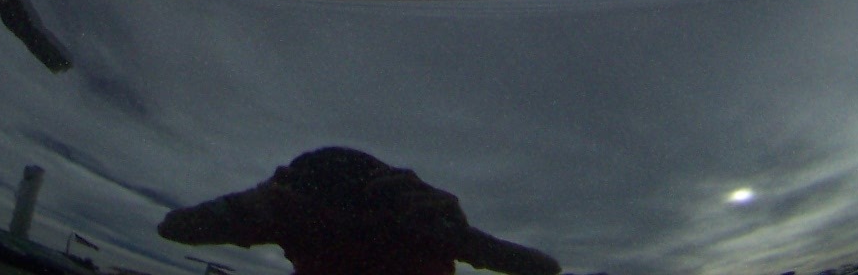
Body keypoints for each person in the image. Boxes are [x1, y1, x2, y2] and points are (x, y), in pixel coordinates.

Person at [160, 147, 559, 275]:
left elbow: (542, 268)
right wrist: (263, 202)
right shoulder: (294, 218)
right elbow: (174, 228)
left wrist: (448, 231)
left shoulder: (412, 225)